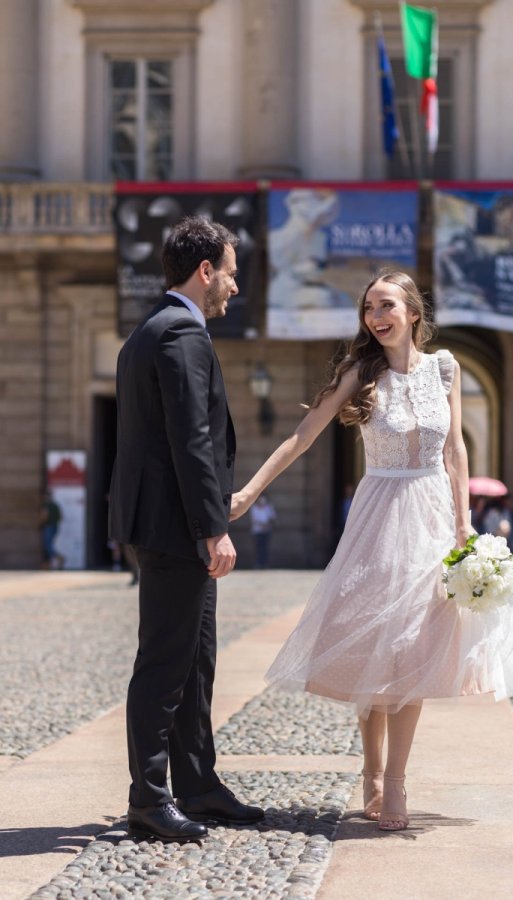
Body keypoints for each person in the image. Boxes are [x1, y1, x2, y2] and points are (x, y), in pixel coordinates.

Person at [230, 270, 513, 832]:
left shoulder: (445, 367)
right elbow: (303, 436)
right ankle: (371, 769)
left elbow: (454, 451)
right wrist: (249, 490)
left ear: (412, 313)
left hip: (431, 519)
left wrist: (463, 524)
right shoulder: (360, 372)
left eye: (386, 306)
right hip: (377, 516)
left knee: (410, 648)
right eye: (368, 309)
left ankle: (395, 782)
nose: (376, 317)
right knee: (376, 638)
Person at [109, 217, 264, 843]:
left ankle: (197, 784)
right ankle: (149, 798)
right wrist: (211, 527)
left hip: (166, 525)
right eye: (229, 271)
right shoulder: (180, 334)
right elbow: (189, 441)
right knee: (165, 663)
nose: (233, 284)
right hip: (177, 529)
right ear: (205, 272)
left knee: (195, 661)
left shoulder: (152, 330)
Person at [249, 494, 276, 568]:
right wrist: (263, 525)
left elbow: (272, 518)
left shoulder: (269, 507)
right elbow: (254, 520)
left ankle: (265, 564)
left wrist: (268, 525)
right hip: (257, 531)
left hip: (267, 531)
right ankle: (258, 563)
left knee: (265, 548)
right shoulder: (254, 508)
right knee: (258, 548)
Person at [39, 490, 64, 570]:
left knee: (47, 545)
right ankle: (51, 562)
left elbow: (44, 516)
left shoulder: (47, 505)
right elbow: (61, 516)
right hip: (55, 526)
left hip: (48, 526)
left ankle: (57, 558)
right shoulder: (55, 505)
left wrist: (41, 523)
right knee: (50, 544)